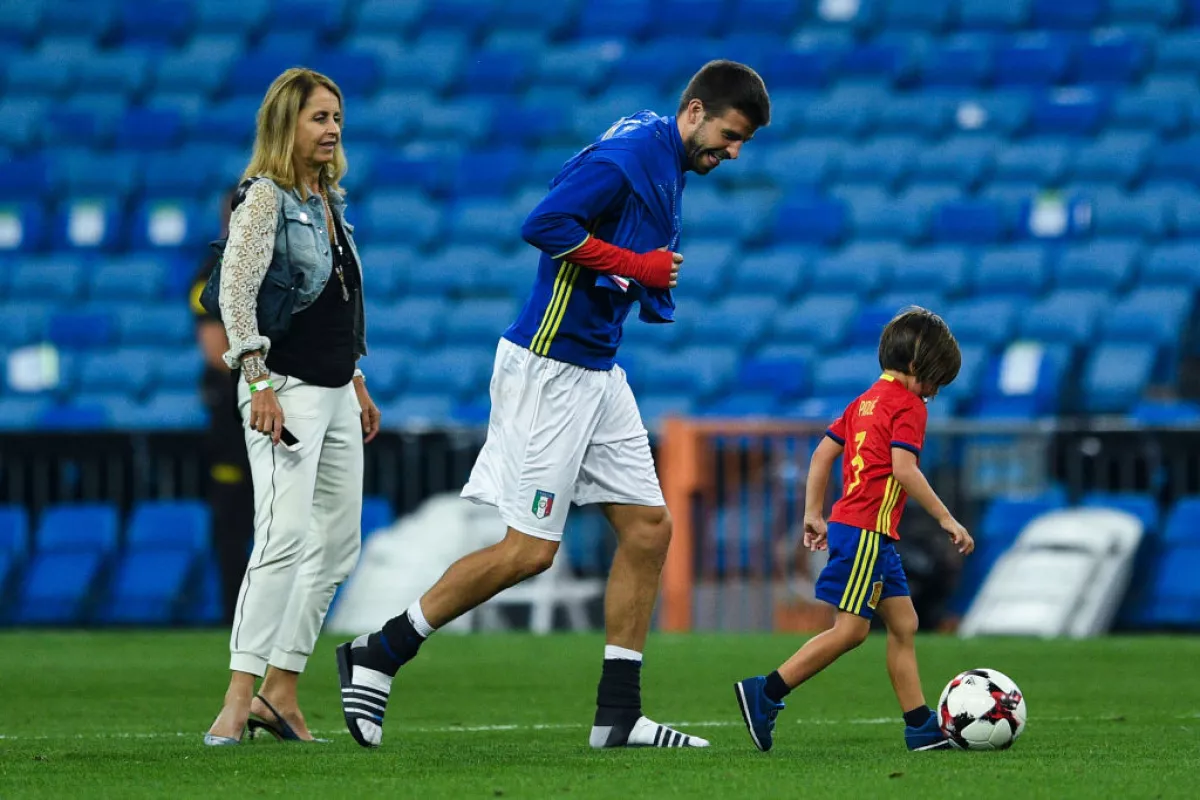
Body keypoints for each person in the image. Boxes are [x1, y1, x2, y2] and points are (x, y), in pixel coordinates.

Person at [335, 60, 771, 750]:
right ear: (695, 110)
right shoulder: (631, 155)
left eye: (743, 141)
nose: (734, 151)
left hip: (597, 370)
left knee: (651, 530)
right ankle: (380, 652)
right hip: (550, 368)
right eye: (730, 134)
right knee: (529, 552)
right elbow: (544, 223)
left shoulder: (660, 149)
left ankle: (618, 715)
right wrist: (637, 267)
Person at [204, 67, 382, 746]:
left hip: (336, 392)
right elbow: (236, 295)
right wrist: (258, 382)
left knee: (337, 545)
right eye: (318, 118)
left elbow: (337, 303)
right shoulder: (264, 200)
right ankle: (236, 696)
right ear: (286, 125)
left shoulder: (329, 200)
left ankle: (280, 690)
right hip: (288, 390)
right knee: (281, 538)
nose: (332, 130)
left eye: (336, 118)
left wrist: (358, 379)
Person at [734, 307, 973, 753]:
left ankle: (920, 726)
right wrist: (946, 517)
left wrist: (813, 512)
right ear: (918, 367)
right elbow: (904, 469)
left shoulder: (862, 402)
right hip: (865, 530)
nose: (935, 393)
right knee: (851, 631)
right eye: (936, 381)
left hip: (862, 530)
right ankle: (765, 692)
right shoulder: (909, 406)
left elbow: (822, 455)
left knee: (904, 622)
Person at [190, 187, 254, 625]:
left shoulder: (282, 267)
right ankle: (235, 617)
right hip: (234, 413)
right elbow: (216, 350)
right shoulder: (211, 274)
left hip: (278, 404)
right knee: (232, 520)